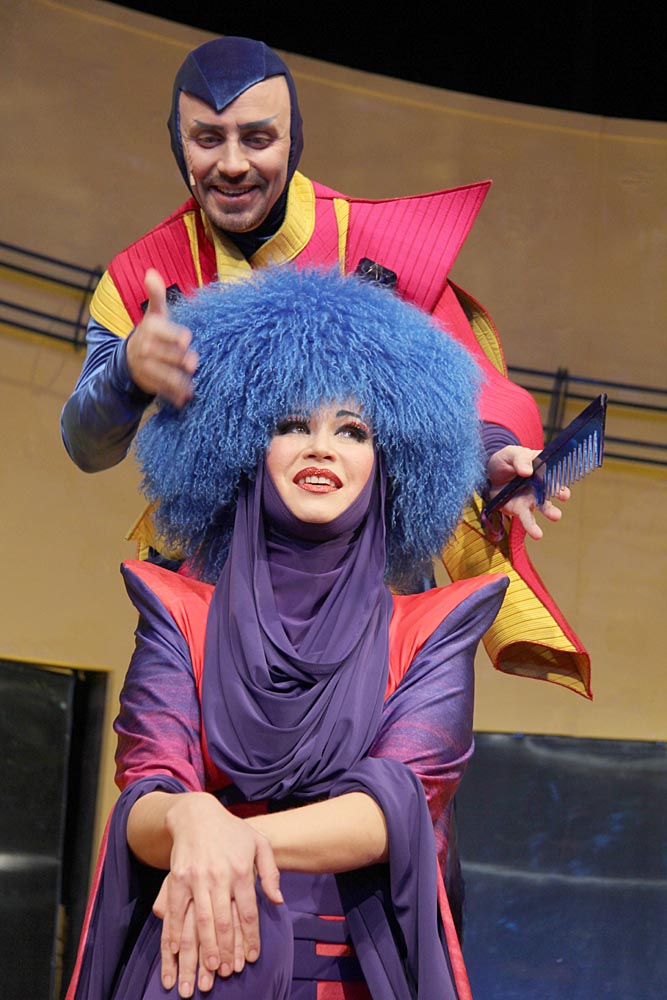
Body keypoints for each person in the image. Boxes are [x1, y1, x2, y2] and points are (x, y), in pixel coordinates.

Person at [60, 35, 591, 697]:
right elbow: (85, 444)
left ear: (293, 141)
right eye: (207, 138)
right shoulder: (142, 276)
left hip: (372, 607)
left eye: (257, 138)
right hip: (209, 604)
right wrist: (126, 375)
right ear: (178, 141)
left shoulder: (375, 247)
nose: (231, 163)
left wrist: (491, 452)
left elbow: (465, 388)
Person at [66, 266, 509, 999]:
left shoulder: (430, 630)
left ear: (390, 462)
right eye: (292, 425)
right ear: (243, 446)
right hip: (190, 967)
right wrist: (184, 814)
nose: (321, 448)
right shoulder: (178, 614)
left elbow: (392, 809)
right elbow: (143, 797)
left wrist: (217, 835)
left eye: (352, 430)